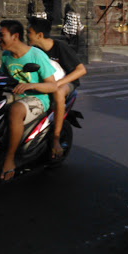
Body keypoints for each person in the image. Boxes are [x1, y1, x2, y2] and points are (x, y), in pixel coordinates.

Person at [0, 19, 57, 181]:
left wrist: (30, 85)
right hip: (16, 95)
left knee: (15, 110)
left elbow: (52, 87)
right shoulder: (6, 56)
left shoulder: (36, 55)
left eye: (1, 35)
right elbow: (2, 77)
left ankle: (10, 160)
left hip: (37, 98)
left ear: (15, 36)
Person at [27, 17, 87, 158]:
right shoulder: (33, 50)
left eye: (29, 32)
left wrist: (57, 84)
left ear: (39, 35)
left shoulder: (60, 47)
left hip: (65, 83)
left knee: (58, 92)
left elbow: (81, 70)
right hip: (46, 82)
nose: (27, 35)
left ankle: (56, 138)